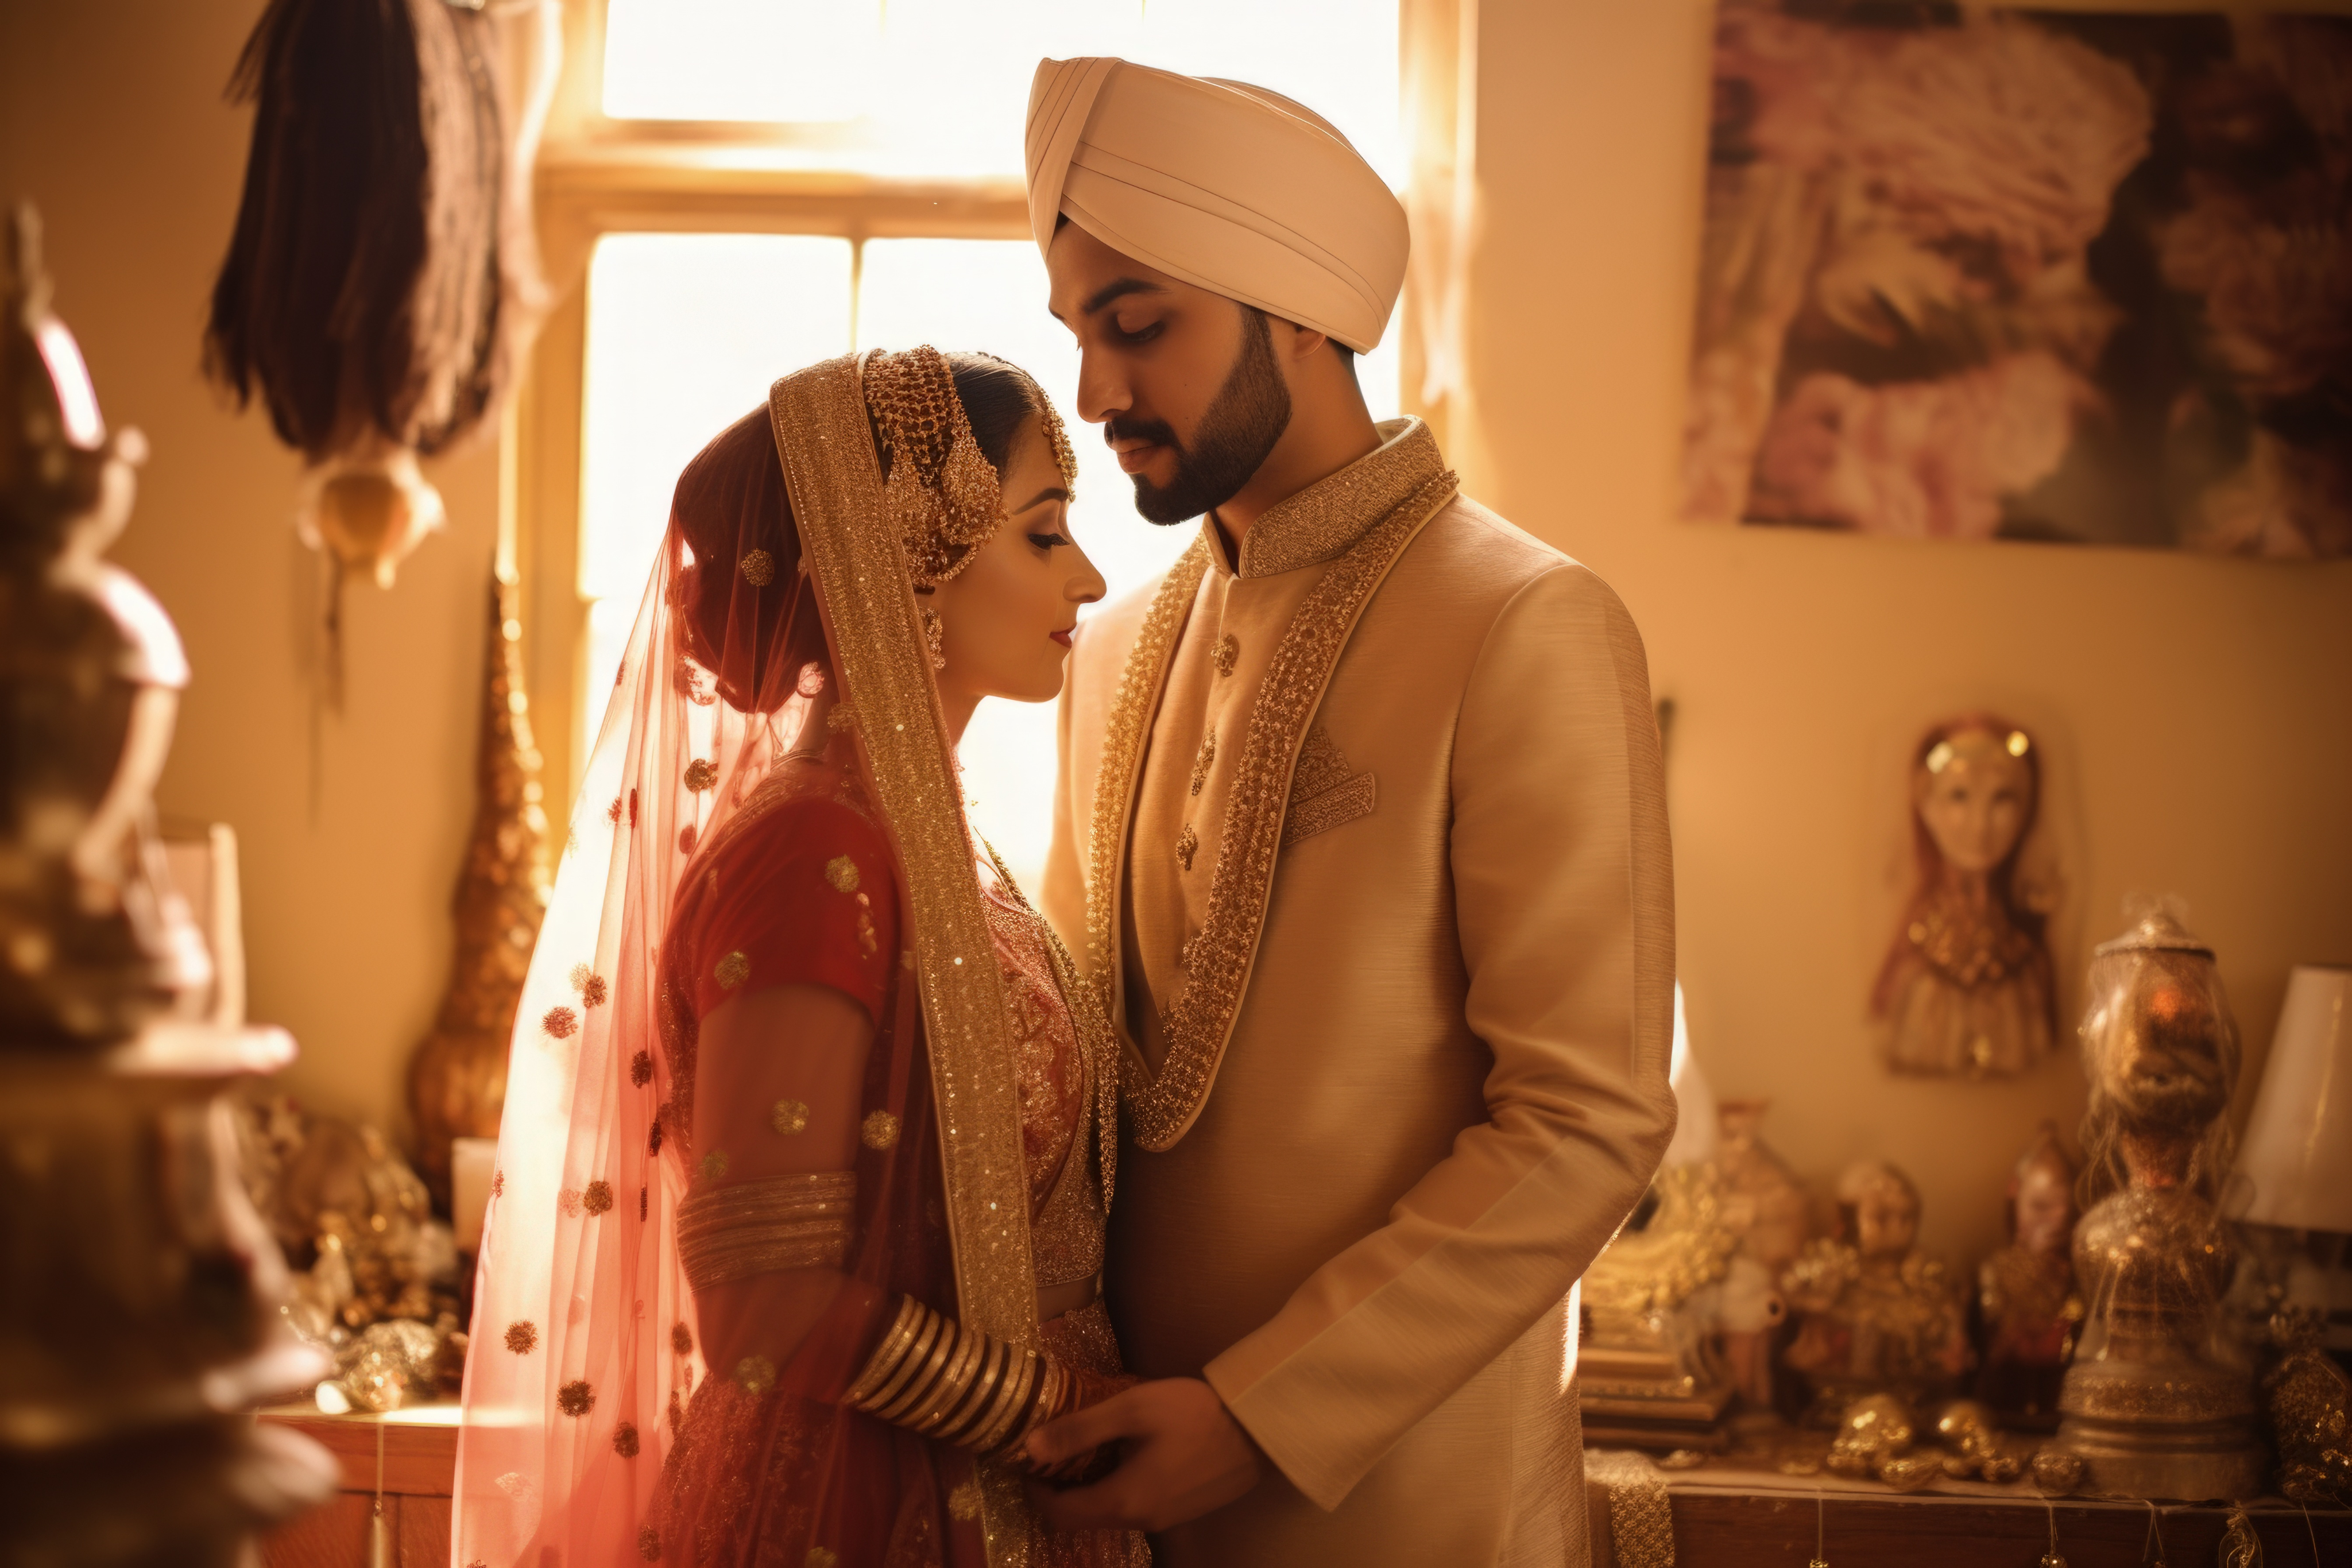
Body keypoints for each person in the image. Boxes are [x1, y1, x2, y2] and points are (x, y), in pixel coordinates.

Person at [1023, 58, 1680, 1565]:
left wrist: (1256, 1415)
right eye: (1079, 333)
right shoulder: (1109, 647)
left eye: (1138, 326)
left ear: (1300, 308)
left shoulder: (1523, 621)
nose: (1096, 392)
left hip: (1408, 1514)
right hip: (1120, 1501)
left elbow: (1589, 1119)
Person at [453, 346, 1154, 1567]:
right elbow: (761, 1300)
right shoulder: (813, 852)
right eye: (1043, 534)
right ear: (906, 560)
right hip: (863, 1505)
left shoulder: (940, 844)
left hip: (1005, 1494)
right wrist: (1053, 1411)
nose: (1089, 578)